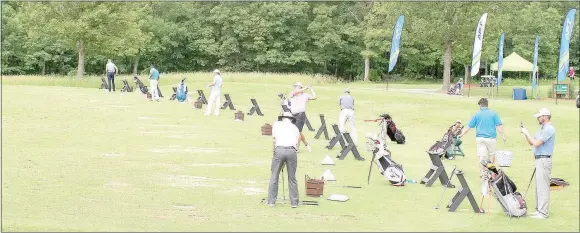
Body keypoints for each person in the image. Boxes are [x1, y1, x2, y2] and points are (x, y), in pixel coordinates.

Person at [458, 98, 506, 201]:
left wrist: (461, 134)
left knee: (482, 156)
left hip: (480, 139)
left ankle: (483, 172)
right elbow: (499, 126)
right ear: (487, 105)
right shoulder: (494, 114)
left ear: (480, 105)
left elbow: (469, 126)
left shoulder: (477, 114)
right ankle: (490, 171)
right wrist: (502, 135)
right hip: (491, 139)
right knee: (492, 155)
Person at [520, 108, 556, 219]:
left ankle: (543, 212)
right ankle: (539, 210)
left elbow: (536, 143)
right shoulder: (541, 129)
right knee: (538, 187)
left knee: (543, 186)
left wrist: (527, 133)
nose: (538, 118)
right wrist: (526, 133)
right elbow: (531, 142)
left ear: (545, 116)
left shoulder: (549, 129)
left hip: (544, 159)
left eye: (539, 117)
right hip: (538, 159)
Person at [267, 112, 300, 208]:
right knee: (292, 177)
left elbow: (274, 140)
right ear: (291, 119)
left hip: (279, 149)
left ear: (282, 118)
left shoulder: (277, 125)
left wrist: (275, 152)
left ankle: (271, 201)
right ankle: (294, 203)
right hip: (291, 151)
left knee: (274, 176)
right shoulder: (295, 128)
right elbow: (297, 144)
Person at [288, 82, 317, 152]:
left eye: (296, 86)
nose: (295, 87)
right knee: (297, 131)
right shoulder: (293, 93)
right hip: (293, 115)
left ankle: (296, 148)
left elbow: (314, 97)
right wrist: (306, 88)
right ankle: (306, 144)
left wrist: (311, 89)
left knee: (298, 132)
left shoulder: (305, 95)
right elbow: (296, 92)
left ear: (299, 87)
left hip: (301, 115)